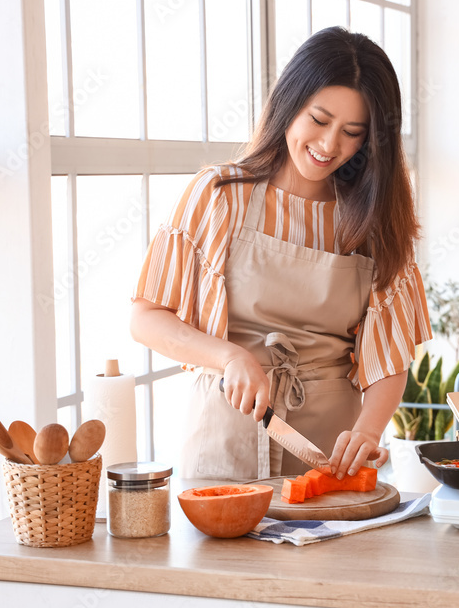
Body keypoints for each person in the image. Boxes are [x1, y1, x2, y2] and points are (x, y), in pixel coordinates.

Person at [131, 27, 431, 482]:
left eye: (352, 132)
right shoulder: (218, 196)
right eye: (319, 119)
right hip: (224, 440)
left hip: (328, 454)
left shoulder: (373, 221)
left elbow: (388, 361)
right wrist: (230, 357)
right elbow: (146, 317)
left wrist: (368, 432)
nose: (330, 145)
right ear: (289, 103)